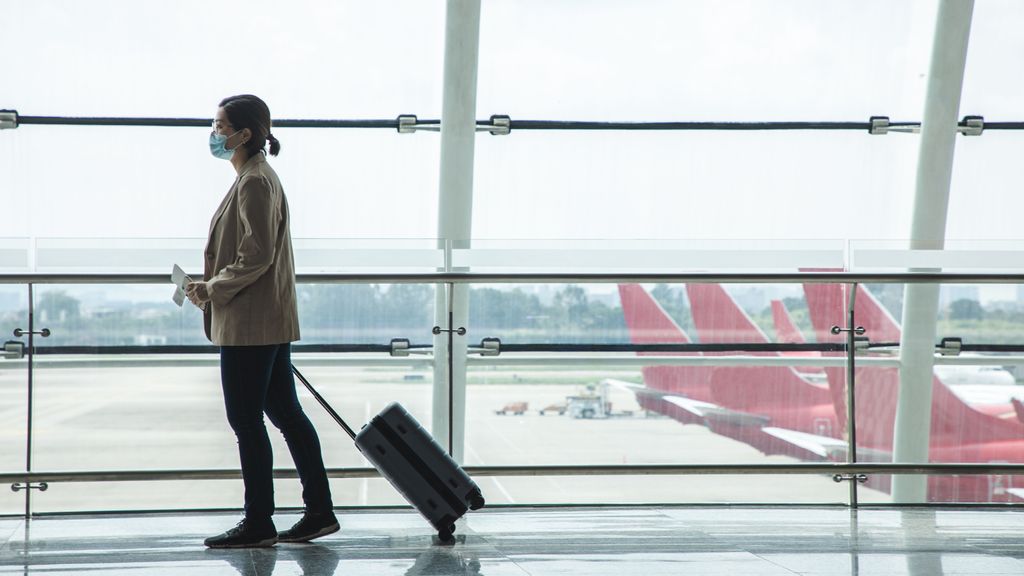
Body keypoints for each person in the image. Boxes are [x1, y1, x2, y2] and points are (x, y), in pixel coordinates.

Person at [186, 94, 339, 548]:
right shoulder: (256, 177)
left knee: (247, 421)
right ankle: (319, 512)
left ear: (244, 134)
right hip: (266, 318)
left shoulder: (254, 182)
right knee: (286, 414)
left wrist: (211, 289)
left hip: (252, 324)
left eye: (220, 125)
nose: (214, 133)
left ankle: (259, 522)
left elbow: (255, 256)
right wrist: (211, 284)